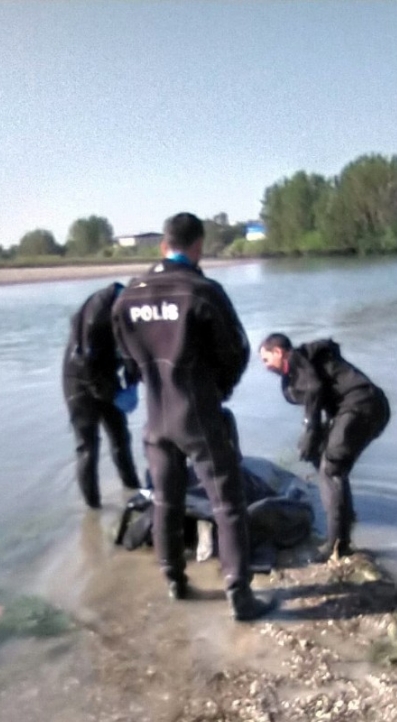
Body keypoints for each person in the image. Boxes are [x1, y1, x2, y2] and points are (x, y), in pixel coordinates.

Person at [112, 212, 273, 621]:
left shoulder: (129, 296)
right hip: (198, 413)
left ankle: (174, 581)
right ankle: (239, 592)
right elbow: (235, 350)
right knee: (228, 503)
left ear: (163, 245)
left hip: (156, 416)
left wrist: (148, 376)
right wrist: (218, 390)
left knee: (166, 499)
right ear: (197, 246)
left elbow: (124, 354)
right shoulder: (203, 291)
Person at [259, 333, 390, 560]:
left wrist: (310, 429)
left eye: (266, 359)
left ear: (279, 352)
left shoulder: (298, 360)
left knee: (332, 469)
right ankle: (344, 522)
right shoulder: (302, 367)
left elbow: (313, 389)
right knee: (327, 462)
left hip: (360, 406)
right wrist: (313, 438)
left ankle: (337, 545)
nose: (265, 367)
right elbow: (316, 397)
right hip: (366, 407)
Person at [63, 282, 141, 509]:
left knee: (121, 437)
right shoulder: (96, 313)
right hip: (78, 380)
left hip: (106, 374)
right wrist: (112, 395)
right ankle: (93, 509)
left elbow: (133, 352)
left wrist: (132, 382)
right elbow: (86, 364)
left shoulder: (130, 311)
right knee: (88, 446)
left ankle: (134, 492)